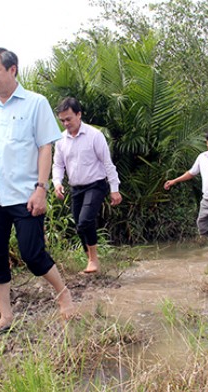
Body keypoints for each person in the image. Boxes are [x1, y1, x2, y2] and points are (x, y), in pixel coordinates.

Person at [0, 48, 74, 333]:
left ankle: (64, 295)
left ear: (12, 70)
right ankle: (6, 316)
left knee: (32, 254)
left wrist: (41, 188)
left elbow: (45, 147)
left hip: (26, 194)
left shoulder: (35, 103)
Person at [52, 97, 122, 274]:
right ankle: (91, 260)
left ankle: (93, 260)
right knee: (79, 225)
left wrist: (114, 189)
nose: (66, 123)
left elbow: (107, 163)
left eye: (69, 119)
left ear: (79, 114)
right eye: (62, 121)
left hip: (96, 185)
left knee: (84, 221)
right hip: (76, 188)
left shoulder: (94, 136)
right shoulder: (60, 140)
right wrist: (57, 183)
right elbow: (58, 165)